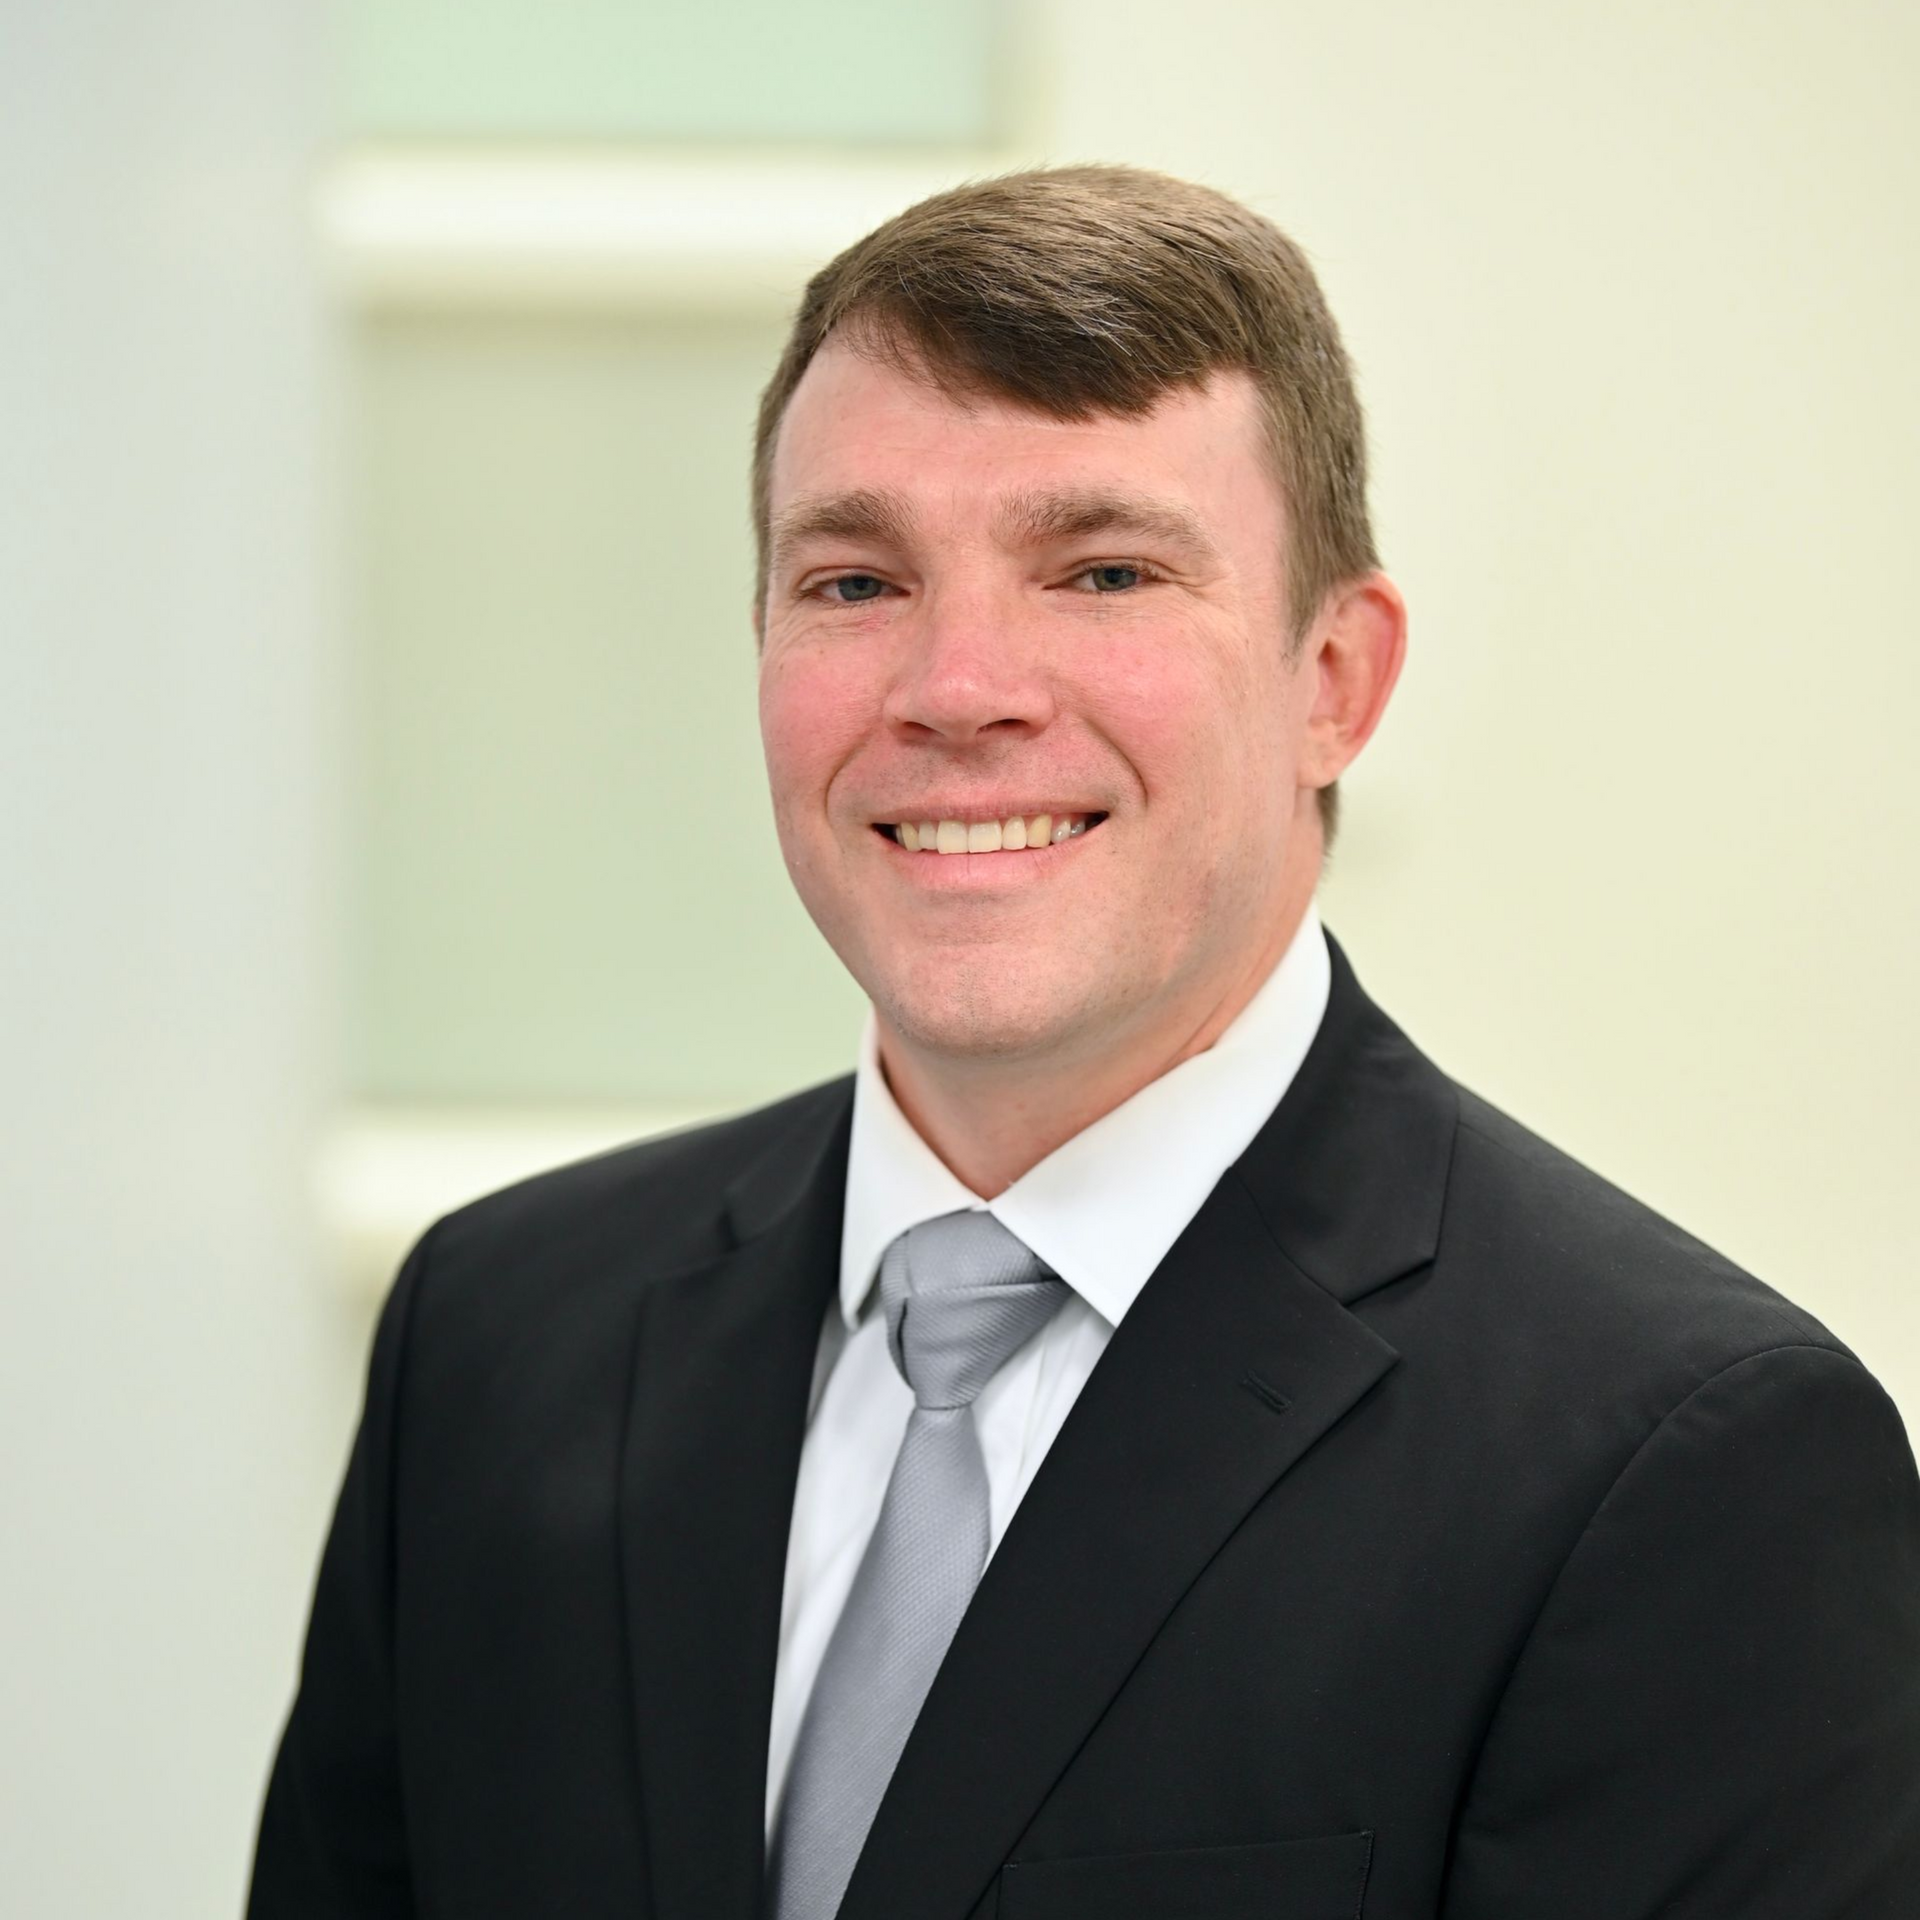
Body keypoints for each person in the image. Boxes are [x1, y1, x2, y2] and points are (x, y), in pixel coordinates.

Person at [247, 166, 1920, 1919]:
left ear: (1334, 681)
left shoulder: (1683, 1468)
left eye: (1103, 570)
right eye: (854, 581)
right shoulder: (501, 1340)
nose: (959, 687)